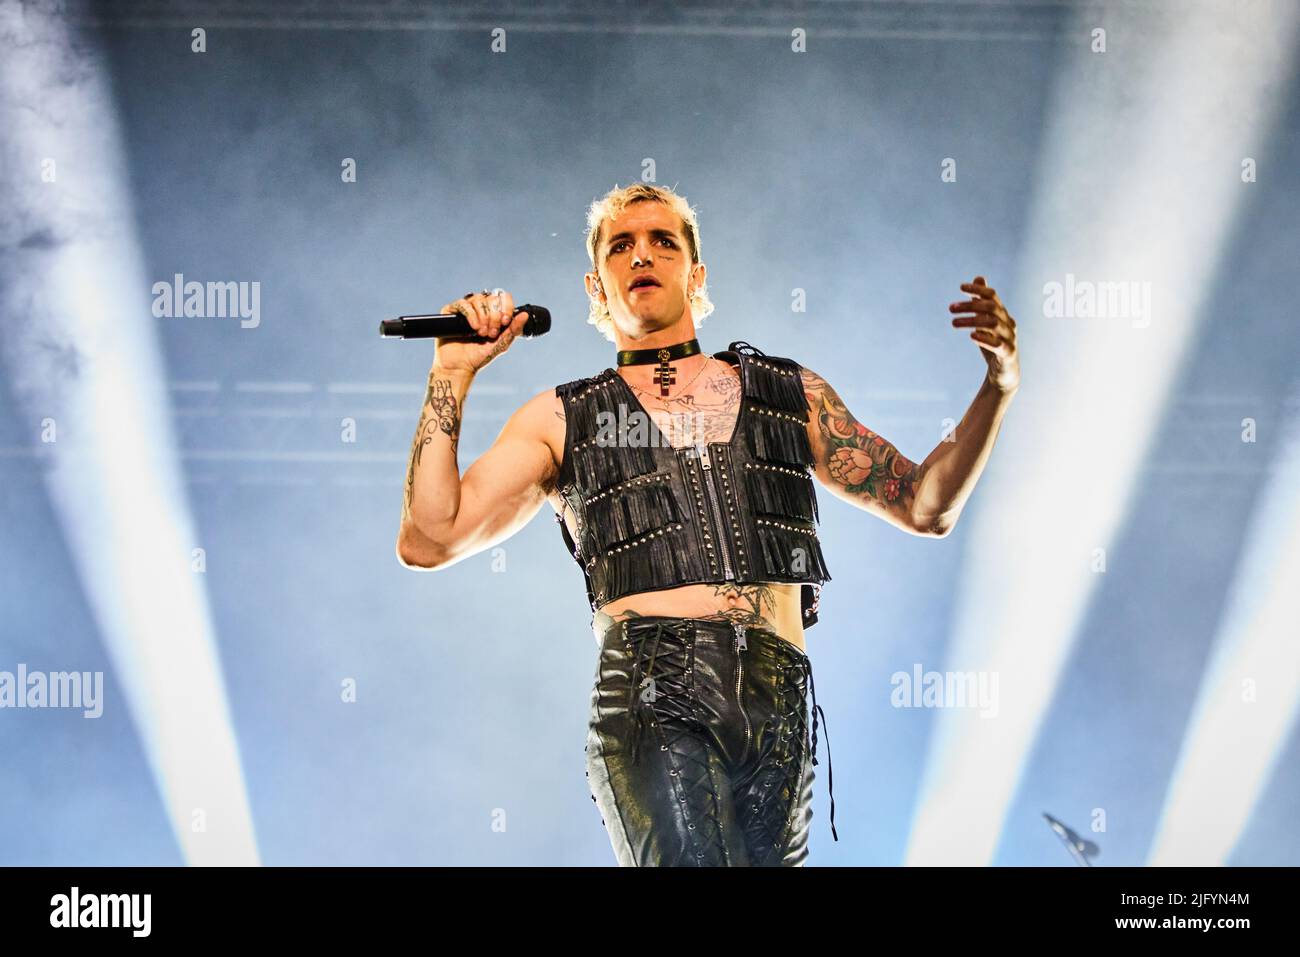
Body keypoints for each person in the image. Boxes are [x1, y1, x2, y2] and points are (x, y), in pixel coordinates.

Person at [396, 183, 1020, 866]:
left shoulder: (789, 392)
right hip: (656, 691)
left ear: (696, 275)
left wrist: (998, 385)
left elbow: (926, 505)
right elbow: (430, 537)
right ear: (595, 285)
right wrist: (451, 373)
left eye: (665, 240)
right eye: (621, 245)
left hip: (781, 702)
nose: (643, 254)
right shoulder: (560, 417)